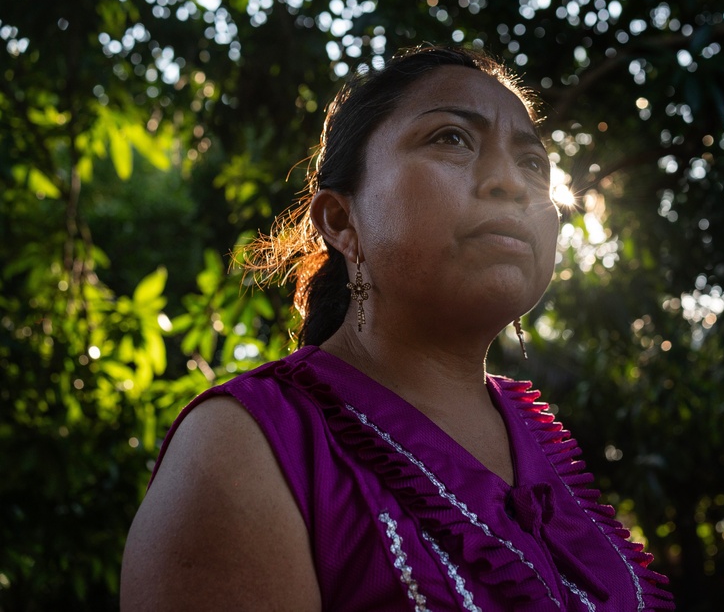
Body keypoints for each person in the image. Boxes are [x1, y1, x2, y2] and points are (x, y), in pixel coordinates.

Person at [121, 46, 674, 610]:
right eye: (451, 138)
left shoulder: (545, 442)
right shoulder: (246, 445)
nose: (512, 181)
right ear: (340, 218)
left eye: (534, 163)